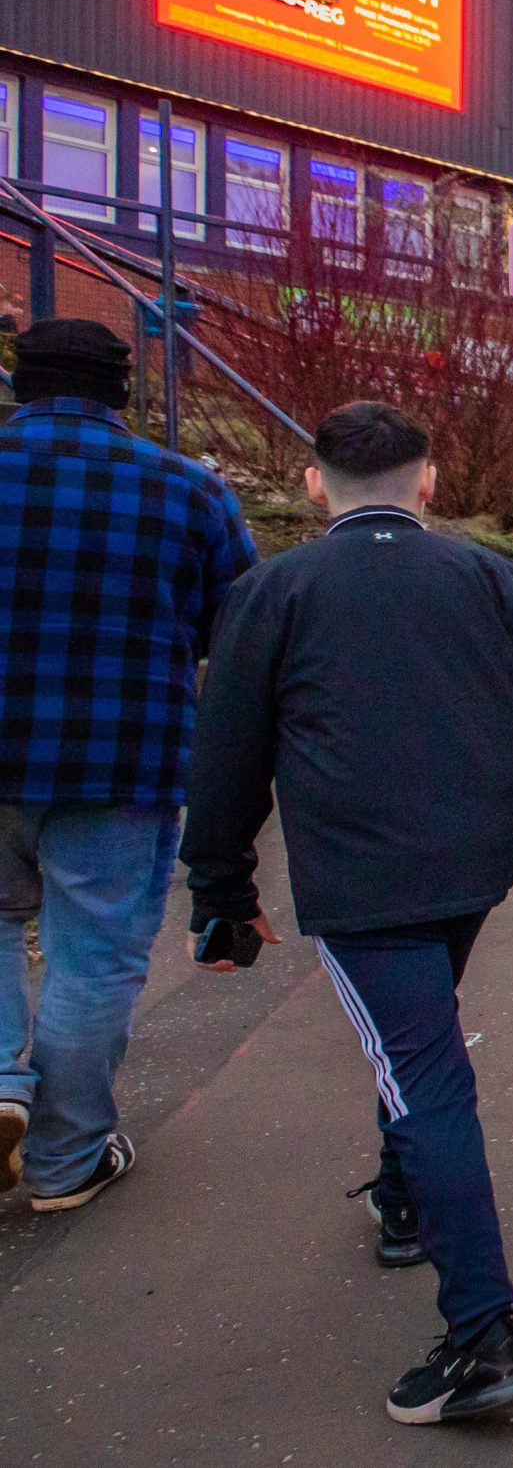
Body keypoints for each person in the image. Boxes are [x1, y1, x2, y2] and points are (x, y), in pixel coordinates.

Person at [181, 401, 513, 1424]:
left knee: (421, 1072)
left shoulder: (274, 589)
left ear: (315, 484)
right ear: (432, 481)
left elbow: (227, 752)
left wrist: (223, 893)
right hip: (471, 863)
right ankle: (404, 1205)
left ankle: (483, 1336)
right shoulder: (485, 577)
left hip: (363, 879)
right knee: (417, 1044)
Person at [0, 319, 256, 1213]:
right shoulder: (188, 490)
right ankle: (66, 1162)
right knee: (94, 957)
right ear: (123, 393)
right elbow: (241, 633)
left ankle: (0, 1081)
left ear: (18, 383)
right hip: (123, 761)